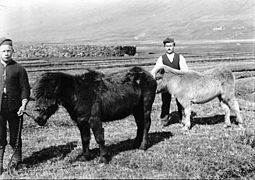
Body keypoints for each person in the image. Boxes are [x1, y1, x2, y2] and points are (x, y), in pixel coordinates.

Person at [0, 37, 30, 175]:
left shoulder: (19, 69)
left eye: (8, 51)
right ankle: (0, 166)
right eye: (3, 51)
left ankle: (18, 163)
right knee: (0, 138)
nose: (6, 53)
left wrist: (23, 104)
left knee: (15, 137)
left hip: (15, 108)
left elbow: (25, 88)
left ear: (13, 51)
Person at [151, 37, 188, 127]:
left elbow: (185, 70)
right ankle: (164, 121)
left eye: (170, 46)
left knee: (181, 102)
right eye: (167, 46)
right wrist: (151, 78)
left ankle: (183, 119)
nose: (169, 48)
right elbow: (155, 70)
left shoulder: (180, 57)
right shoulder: (161, 59)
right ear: (164, 47)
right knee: (165, 102)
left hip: (178, 84)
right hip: (166, 85)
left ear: (173, 46)